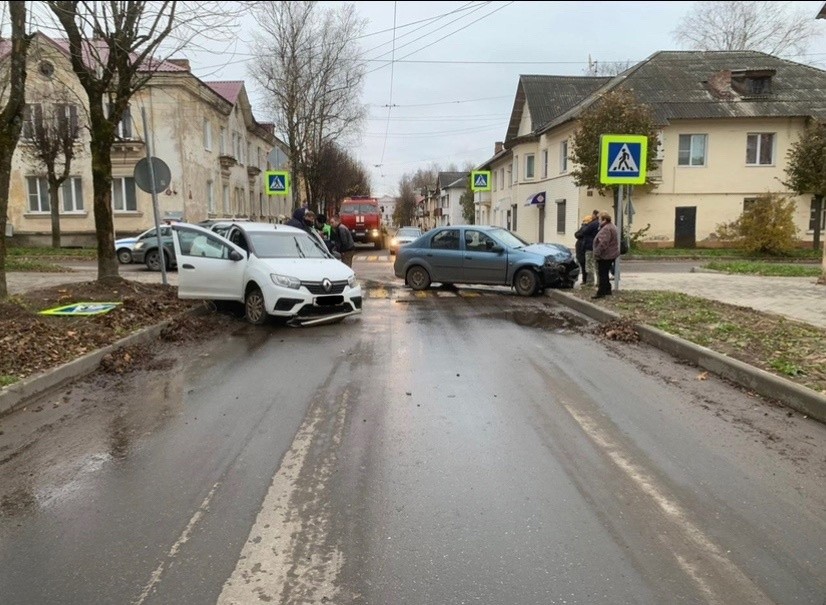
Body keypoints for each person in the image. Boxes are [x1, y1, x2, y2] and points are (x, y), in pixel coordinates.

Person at [591, 211, 620, 299]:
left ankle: (601, 292)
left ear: (604, 219)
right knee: (605, 273)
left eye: (599, 219)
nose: (598, 221)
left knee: (602, 273)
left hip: (605, 255)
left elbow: (603, 242)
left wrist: (597, 252)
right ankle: (607, 289)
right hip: (611, 253)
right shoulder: (612, 226)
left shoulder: (606, 228)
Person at [574, 213, 599, 286]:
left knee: (588, 265)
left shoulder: (588, 226)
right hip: (589, 247)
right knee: (591, 265)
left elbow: (578, 234)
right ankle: (591, 281)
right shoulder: (596, 225)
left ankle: (589, 281)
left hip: (587, 247)